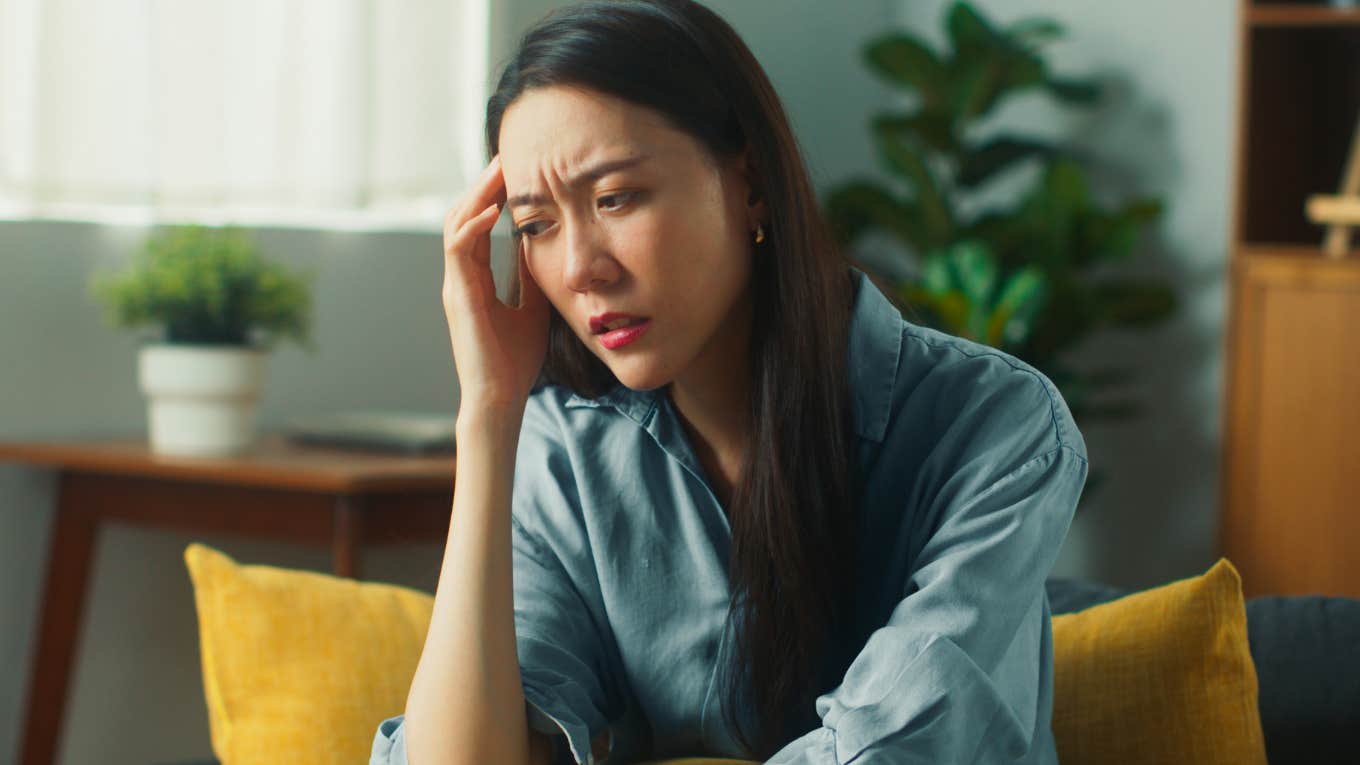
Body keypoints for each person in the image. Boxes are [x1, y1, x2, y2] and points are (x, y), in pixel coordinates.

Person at [371, 0, 1088, 763]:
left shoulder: (996, 425)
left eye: (614, 198)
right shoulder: (565, 450)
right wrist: (487, 412)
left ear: (749, 182)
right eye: (535, 225)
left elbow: (891, 749)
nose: (580, 268)